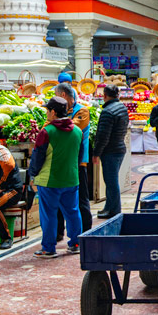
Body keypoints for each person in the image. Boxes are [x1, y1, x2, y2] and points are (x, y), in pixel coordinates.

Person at [28, 97, 83, 258]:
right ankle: (75, 243)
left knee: (49, 214)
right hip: (71, 178)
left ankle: (48, 248)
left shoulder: (47, 131)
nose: (46, 113)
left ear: (53, 112)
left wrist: (33, 176)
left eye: (47, 110)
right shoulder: (77, 131)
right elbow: (79, 156)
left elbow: (37, 157)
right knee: (73, 212)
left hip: (49, 180)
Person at [54, 82, 92, 240]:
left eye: (56, 96)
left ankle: (86, 231)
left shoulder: (81, 110)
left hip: (78, 162)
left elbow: (72, 127)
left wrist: (53, 122)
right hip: (61, 161)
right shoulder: (61, 113)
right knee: (58, 199)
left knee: (81, 198)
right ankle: (58, 233)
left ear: (63, 95)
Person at [92, 84, 128, 219]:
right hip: (119, 147)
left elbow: (103, 135)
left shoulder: (107, 112)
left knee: (111, 182)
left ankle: (114, 210)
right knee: (111, 181)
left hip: (110, 150)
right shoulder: (122, 108)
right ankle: (109, 207)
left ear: (105, 96)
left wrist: (96, 153)